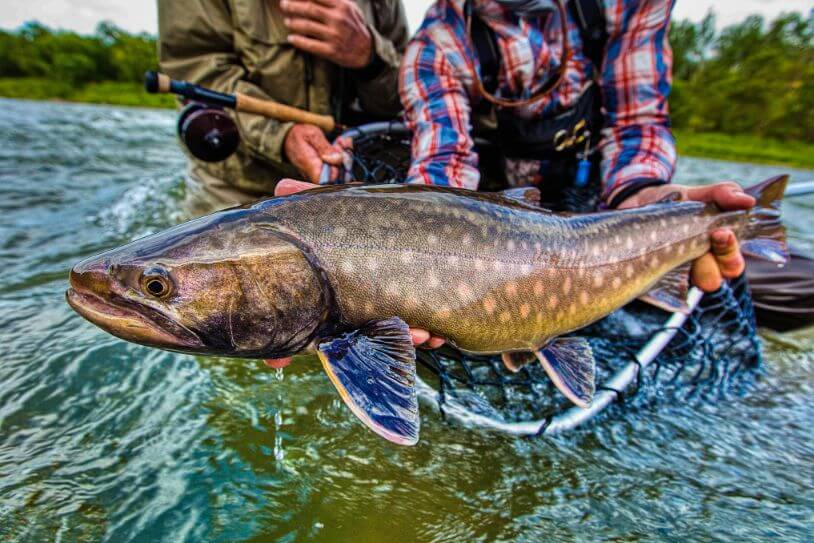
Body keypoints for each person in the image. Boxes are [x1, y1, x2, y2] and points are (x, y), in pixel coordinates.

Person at [158, 0, 409, 213]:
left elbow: (404, 98)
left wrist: (370, 57)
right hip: (239, 180)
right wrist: (281, 134)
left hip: (354, 177)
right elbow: (196, 69)